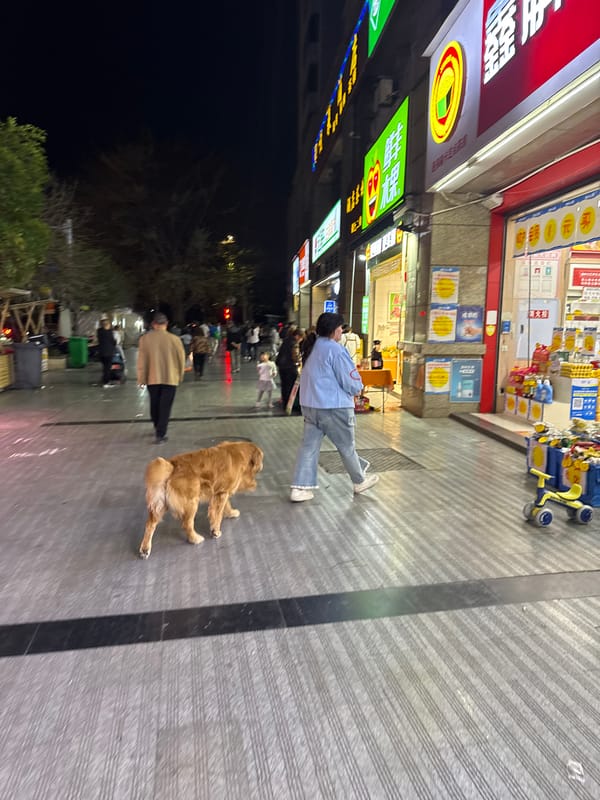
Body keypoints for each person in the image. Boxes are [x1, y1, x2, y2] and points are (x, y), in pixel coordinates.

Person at [290, 312, 379, 502]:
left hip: (310, 406)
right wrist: (358, 388)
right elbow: (350, 380)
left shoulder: (312, 348)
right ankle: (359, 480)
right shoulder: (336, 350)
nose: (341, 331)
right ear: (333, 330)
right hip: (334, 406)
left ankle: (300, 488)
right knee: (346, 445)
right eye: (340, 328)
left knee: (309, 447)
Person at [137, 312, 186, 444]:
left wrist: (141, 378)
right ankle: (161, 432)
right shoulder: (175, 339)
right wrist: (180, 375)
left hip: (152, 377)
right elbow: (181, 359)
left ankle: (157, 425)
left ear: (154, 324)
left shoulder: (145, 339)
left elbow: (142, 360)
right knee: (165, 406)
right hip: (170, 377)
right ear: (166, 324)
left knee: (154, 403)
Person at [276, 328, 302, 409]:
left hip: (281, 366)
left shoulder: (286, 341)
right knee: (291, 386)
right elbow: (295, 356)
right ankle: (291, 405)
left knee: (284, 386)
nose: (301, 340)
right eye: (301, 338)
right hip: (290, 367)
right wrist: (299, 362)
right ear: (297, 336)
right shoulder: (294, 343)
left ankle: (285, 403)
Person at [96, 318, 116, 387]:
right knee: (107, 368)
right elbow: (113, 342)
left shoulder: (99, 331)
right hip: (108, 353)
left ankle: (104, 380)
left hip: (101, 352)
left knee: (105, 367)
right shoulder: (109, 332)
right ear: (108, 325)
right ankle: (106, 382)